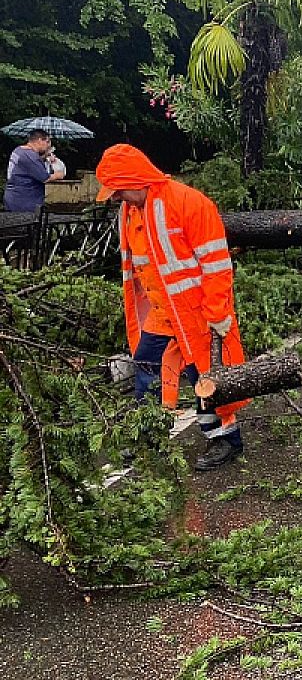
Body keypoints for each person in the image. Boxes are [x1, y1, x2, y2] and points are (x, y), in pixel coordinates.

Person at [95, 143, 248, 471]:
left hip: (197, 312)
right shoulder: (131, 211)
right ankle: (147, 439)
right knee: (146, 369)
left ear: (135, 180)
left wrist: (218, 312)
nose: (116, 198)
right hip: (163, 313)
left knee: (205, 377)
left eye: (118, 191)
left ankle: (226, 439)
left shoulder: (188, 202)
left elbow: (217, 263)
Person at [4, 129, 65, 211]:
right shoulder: (31, 156)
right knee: (27, 222)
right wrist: (59, 174)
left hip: (14, 196)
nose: (48, 146)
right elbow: (45, 178)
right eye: (47, 142)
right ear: (40, 140)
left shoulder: (19, 150)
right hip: (24, 200)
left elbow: (30, 168)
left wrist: (44, 157)